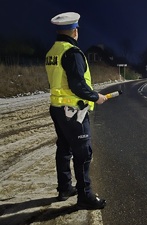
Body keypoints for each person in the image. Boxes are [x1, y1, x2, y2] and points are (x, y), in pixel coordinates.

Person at [45, 12, 107, 209]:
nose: (77, 32)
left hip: (57, 108)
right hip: (73, 112)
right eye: (77, 29)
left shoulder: (52, 52)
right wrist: (96, 97)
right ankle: (85, 196)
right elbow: (78, 85)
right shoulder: (72, 53)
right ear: (74, 31)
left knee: (64, 148)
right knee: (83, 153)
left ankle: (64, 188)